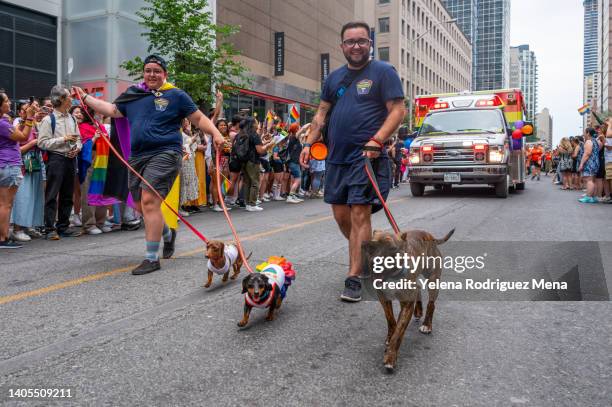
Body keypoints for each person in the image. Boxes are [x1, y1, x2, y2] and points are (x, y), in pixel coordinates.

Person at [73, 54, 225, 275]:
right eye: (148, 70)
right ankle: (167, 233)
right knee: (139, 205)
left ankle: (151, 258)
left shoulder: (177, 95)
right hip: (137, 157)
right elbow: (112, 110)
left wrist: (217, 134)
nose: (152, 74)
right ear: (143, 73)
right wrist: (85, 98)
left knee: (149, 200)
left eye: (157, 70)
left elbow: (199, 119)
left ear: (165, 74)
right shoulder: (133, 94)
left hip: (166, 153)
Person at [299, 21, 406, 301]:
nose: (356, 46)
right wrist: (309, 143)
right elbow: (321, 114)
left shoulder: (384, 72)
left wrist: (377, 140)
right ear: (342, 46)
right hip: (336, 158)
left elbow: (397, 110)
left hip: (365, 156)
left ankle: (354, 276)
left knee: (359, 213)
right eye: (350, 42)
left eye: (361, 41)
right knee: (341, 216)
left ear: (370, 43)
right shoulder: (334, 79)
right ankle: (371, 255)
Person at [37, 85, 83, 240]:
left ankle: (63, 227)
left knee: (67, 194)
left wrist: (77, 148)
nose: (71, 98)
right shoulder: (48, 120)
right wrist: (63, 139)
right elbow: (42, 143)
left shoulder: (72, 118)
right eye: (69, 96)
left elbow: (79, 139)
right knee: (52, 194)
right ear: (61, 99)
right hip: (56, 159)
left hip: (71, 158)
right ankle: (49, 228)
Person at [0, 93, 35, 248]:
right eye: (6, 101)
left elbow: (14, 132)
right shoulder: (2, 123)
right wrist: (29, 117)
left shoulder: (4, 122)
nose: (9, 103)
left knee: (3, 203)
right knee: (6, 204)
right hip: (9, 164)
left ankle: (4, 235)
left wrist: (24, 118)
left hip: (4, 164)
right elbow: (22, 137)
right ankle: (3, 238)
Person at [11, 101, 46, 242]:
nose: (30, 112)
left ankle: (29, 225)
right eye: (26, 110)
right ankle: (18, 228)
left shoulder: (35, 123)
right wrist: (32, 143)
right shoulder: (17, 124)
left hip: (36, 160)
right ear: (20, 112)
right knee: (23, 196)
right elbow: (15, 149)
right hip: (23, 162)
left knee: (35, 194)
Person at [578, 128, 600, 203]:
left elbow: (587, 153)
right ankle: (593, 197)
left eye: (584, 132)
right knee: (593, 180)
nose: (583, 134)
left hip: (590, 162)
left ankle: (588, 197)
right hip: (596, 162)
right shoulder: (596, 141)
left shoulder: (588, 141)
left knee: (589, 180)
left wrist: (581, 164)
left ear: (588, 133)